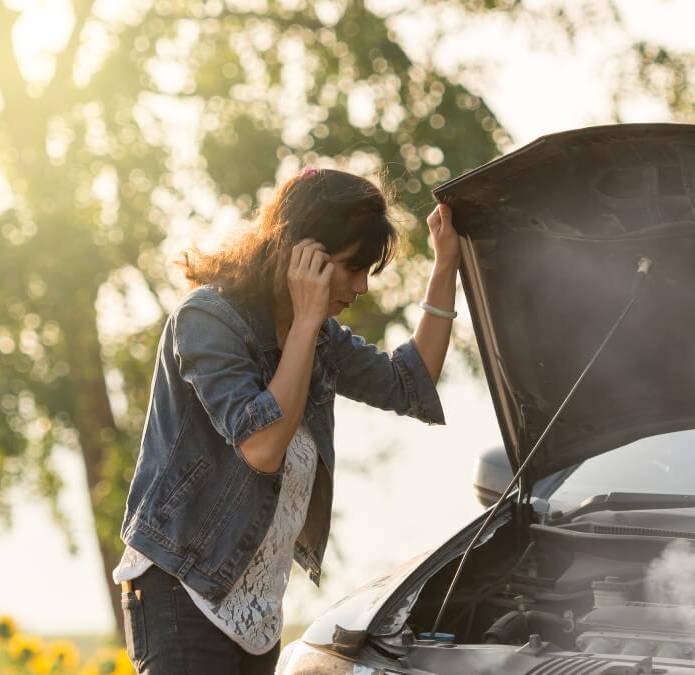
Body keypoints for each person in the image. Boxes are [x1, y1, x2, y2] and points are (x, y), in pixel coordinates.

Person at [112, 167, 460, 674]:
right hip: (182, 591)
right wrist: (306, 321)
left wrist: (447, 263)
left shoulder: (315, 336)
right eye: (352, 267)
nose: (362, 286)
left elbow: (409, 385)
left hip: (256, 616)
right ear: (304, 255)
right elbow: (263, 447)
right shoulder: (208, 320)